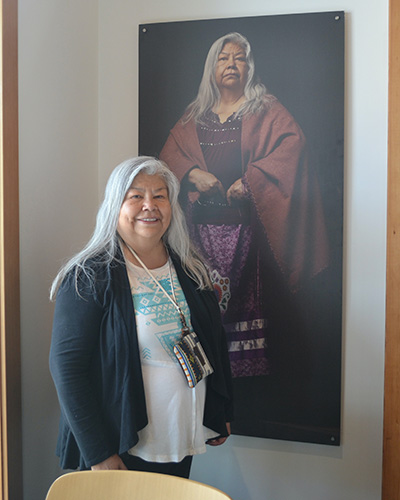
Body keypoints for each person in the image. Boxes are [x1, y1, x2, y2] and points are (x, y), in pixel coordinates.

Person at [49, 156, 233, 477]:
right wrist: (99, 452)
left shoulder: (189, 269)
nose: (150, 206)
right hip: (119, 445)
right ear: (115, 206)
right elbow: (67, 369)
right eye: (136, 196)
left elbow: (214, 342)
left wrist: (220, 409)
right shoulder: (89, 276)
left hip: (177, 436)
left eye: (159, 196)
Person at [160, 32, 329, 380]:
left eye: (239, 58)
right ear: (212, 67)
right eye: (224, 58)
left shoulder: (265, 107)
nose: (232, 64)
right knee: (203, 300)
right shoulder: (195, 114)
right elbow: (169, 156)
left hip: (252, 234)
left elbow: (292, 148)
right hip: (200, 233)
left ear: (249, 67)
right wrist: (192, 174)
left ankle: (250, 383)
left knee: (254, 305)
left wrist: (251, 181)